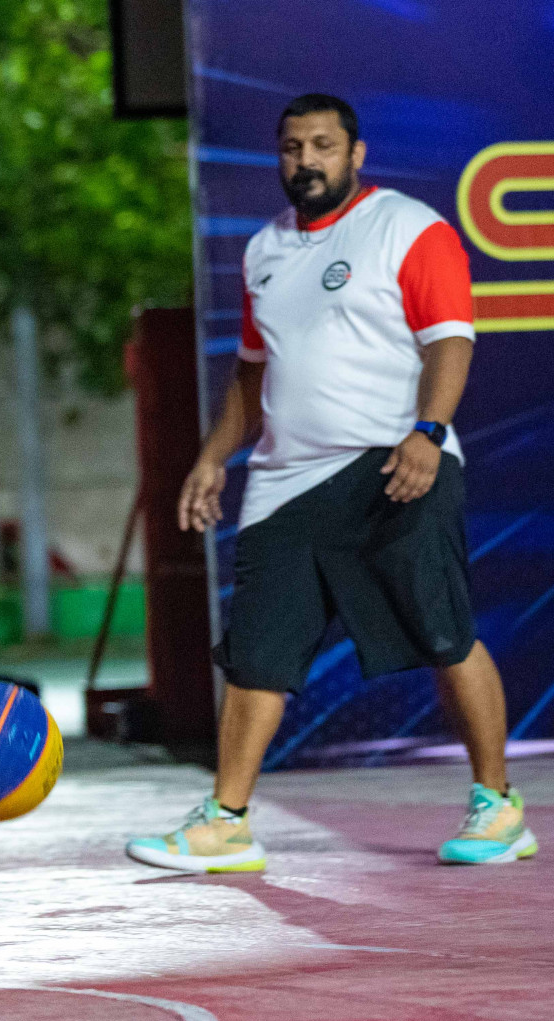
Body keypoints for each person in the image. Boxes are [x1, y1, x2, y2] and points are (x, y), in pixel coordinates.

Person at [127, 94, 534, 873]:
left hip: (395, 462)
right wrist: (214, 456)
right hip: (286, 482)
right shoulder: (264, 251)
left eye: (321, 145)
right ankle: (228, 823)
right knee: (257, 655)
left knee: (443, 633)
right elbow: (251, 374)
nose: (304, 161)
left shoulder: (408, 228)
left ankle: (498, 806)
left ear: (356, 155)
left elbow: (451, 342)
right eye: (290, 147)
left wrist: (428, 432)